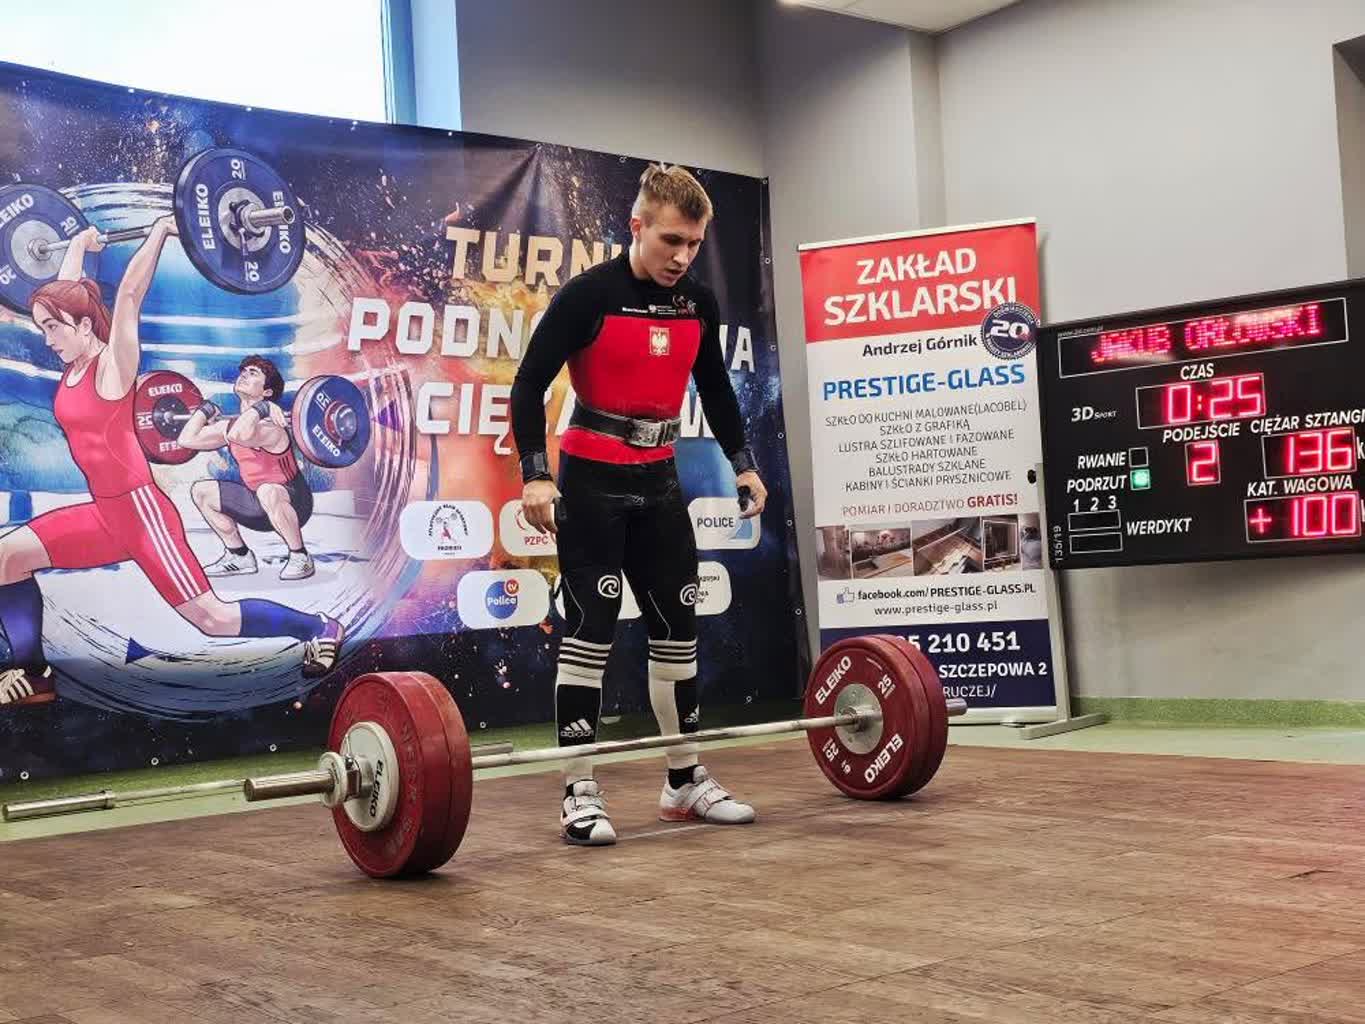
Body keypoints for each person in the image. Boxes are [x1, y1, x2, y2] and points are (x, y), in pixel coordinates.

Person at [510, 164, 768, 846]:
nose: (681, 258)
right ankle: (578, 791)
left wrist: (743, 466)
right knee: (591, 632)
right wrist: (535, 475)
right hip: (591, 484)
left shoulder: (697, 304)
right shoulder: (587, 296)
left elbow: (714, 386)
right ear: (637, 227)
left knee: (677, 633)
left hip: (658, 485)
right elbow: (529, 382)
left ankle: (682, 783)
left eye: (692, 244)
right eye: (670, 242)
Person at [0, 220, 344, 708]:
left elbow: (131, 297)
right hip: (105, 514)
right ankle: (32, 673)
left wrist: (160, 231)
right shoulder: (73, 361)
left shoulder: (112, 368)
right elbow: (69, 294)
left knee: (215, 619)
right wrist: (76, 245)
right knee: (8, 556)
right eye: (42, 327)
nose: (47, 337)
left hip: (142, 519)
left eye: (52, 327)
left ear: (82, 326)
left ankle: (318, 627)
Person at [178, 355, 317, 581]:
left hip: (293, 503)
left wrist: (263, 409)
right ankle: (239, 556)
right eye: (244, 371)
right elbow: (187, 440)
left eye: (253, 373)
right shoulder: (234, 425)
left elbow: (239, 435)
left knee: (267, 490)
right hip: (257, 506)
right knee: (201, 491)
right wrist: (204, 410)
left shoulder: (272, 429)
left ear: (267, 392)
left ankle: (300, 556)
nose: (244, 374)